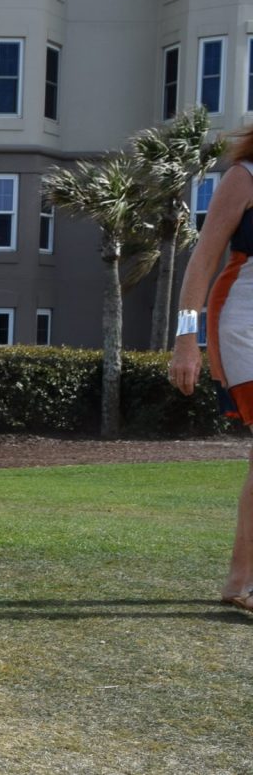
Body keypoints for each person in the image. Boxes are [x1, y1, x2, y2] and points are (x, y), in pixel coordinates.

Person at [169, 139, 253, 614]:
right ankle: (243, 583)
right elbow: (203, 260)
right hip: (243, 319)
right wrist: (187, 340)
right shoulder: (244, 177)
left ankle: (240, 582)